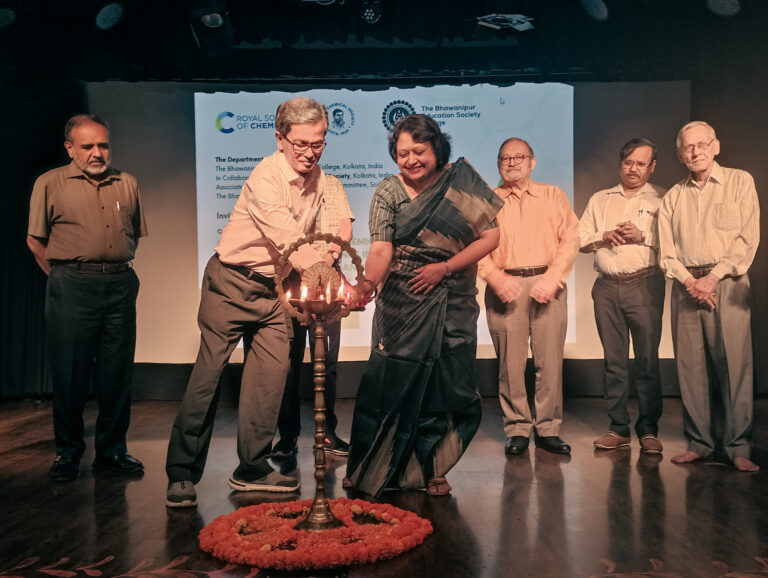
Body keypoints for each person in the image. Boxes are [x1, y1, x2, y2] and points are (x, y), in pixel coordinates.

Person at [165, 97, 342, 508]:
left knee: (270, 380)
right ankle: (181, 473)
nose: (309, 153)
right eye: (300, 144)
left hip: (274, 291)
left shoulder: (319, 180)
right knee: (208, 378)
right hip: (231, 283)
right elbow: (288, 237)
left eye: (317, 143)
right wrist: (321, 271)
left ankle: (252, 469)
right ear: (280, 139)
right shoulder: (265, 176)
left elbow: (322, 232)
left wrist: (331, 256)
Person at [345, 114, 502, 496]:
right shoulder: (389, 190)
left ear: (436, 148)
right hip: (402, 305)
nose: (411, 160)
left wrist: (444, 268)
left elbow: (491, 238)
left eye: (419, 151)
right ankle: (368, 466)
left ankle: (432, 468)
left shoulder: (460, 183)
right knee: (385, 386)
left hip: (453, 302)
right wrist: (368, 283)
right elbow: (381, 249)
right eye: (402, 153)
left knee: (445, 388)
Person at [27, 114, 148, 482]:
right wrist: (64, 276)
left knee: (117, 374)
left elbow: (133, 235)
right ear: (70, 148)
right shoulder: (49, 183)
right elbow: (35, 240)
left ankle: (112, 451)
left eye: (103, 145)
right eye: (88, 146)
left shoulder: (127, 182)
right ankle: (68, 453)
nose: (98, 153)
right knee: (71, 374)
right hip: (72, 285)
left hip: (119, 283)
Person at [658, 121, 760, 472]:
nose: (695, 151)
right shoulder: (673, 196)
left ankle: (738, 446)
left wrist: (714, 278)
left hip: (728, 282)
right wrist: (692, 282)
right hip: (687, 285)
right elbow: (666, 252)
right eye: (688, 147)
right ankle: (699, 443)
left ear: (715, 146)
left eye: (702, 144)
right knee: (690, 368)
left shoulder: (740, 181)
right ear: (679, 154)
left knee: (735, 366)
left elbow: (747, 237)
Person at [478, 138, 579, 456]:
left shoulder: (553, 195)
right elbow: (474, 246)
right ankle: (518, 428)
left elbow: (571, 238)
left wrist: (554, 277)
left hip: (548, 285)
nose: (511, 163)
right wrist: (495, 277)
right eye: (504, 158)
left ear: (532, 162)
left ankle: (548, 429)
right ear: (498, 164)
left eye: (518, 157)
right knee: (510, 366)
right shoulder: (487, 200)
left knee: (550, 364)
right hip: (504, 286)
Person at [579, 137, 666, 454]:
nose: (633, 169)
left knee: (647, 361)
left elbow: (676, 240)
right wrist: (603, 236)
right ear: (621, 164)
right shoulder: (601, 199)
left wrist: (643, 235)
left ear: (652, 166)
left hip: (645, 284)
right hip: (606, 286)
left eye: (641, 163)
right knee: (614, 362)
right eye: (628, 162)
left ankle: (649, 430)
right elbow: (578, 238)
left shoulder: (663, 198)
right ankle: (618, 428)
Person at [271, 174, 354, 459]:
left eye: (315, 150)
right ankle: (287, 438)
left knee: (327, 361)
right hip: (290, 279)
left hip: (327, 276)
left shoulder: (332, 183)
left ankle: (327, 433)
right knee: (288, 364)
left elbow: (345, 227)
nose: (308, 154)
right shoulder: (283, 185)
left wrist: (328, 260)